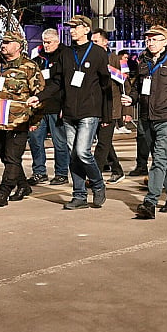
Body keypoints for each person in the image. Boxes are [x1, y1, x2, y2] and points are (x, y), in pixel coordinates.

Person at [27, 15, 111, 210]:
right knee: (74, 155)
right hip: (69, 112)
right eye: (70, 27)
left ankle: (98, 185)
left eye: (76, 27)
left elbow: (106, 85)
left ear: (86, 30)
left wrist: (106, 115)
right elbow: (57, 82)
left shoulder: (98, 53)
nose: (72, 30)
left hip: (89, 111)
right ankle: (79, 195)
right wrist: (39, 97)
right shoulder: (66, 53)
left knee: (82, 152)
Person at [121, 25, 167, 219]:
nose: (151, 43)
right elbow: (138, 87)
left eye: (155, 39)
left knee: (160, 159)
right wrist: (132, 99)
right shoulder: (143, 62)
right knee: (162, 161)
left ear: (165, 42)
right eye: (148, 39)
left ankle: (150, 201)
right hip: (146, 117)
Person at [0, 30, 44, 206]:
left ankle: (3, 193)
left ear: (18, 46)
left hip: (18, 121)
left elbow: (41, 96)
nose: (3, 46)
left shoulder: (30, 67)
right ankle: (23, 185)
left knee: (13, 157)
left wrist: (35, 121)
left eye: (7, 43)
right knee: (5, 156)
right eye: (2, 42)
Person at [27, 28, 71, 186]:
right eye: (44, 42)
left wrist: (64, 106)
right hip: (39, 106)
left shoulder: (65, 55)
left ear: (57, 40)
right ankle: (39, 172)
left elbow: (65, 83)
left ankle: (61, 173)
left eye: (49, 42)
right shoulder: (38, 56)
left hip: (57, 105)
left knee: (60, 142)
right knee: (35, 140)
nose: (46, 45)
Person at [90, 28, 126, 184]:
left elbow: (126, 84)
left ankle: (94, 176)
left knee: (103, 143)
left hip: (112, 107)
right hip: (97, 106)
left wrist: (126, 111)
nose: (93, 44)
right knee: (105, 141)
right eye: (92, 42)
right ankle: (117, 170)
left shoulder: (115, 59)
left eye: (96, 41)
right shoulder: (92, 58)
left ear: (105, 42)